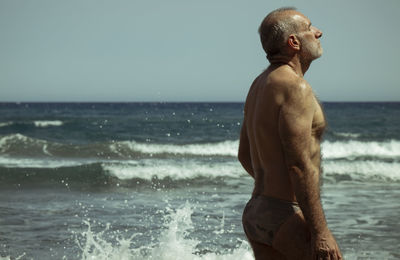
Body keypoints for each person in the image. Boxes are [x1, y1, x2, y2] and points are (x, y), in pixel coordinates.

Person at [238, 7, 342, 260]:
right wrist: (321, 232)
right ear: (293, 42)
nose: (318, 32)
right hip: (284, 214)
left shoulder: (259, 84)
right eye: (309, 28)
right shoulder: (296, 88)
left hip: (257, 212)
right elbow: (298, 164)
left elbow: (244, 155)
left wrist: (272, 189)